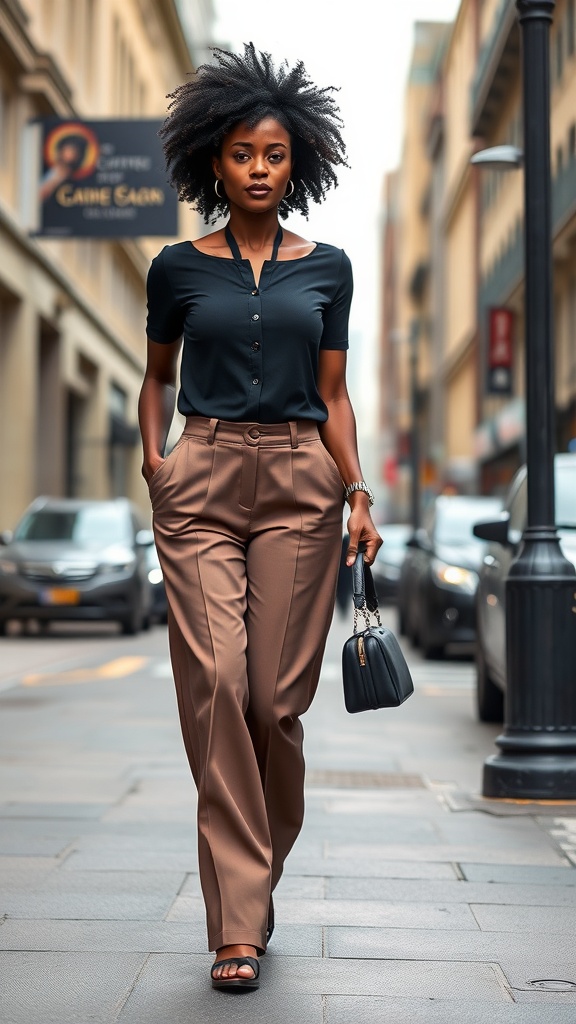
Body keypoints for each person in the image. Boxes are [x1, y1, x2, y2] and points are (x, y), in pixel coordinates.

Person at [138, 43, 381, 992]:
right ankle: (235, 923)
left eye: (274, 155)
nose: (258, 169)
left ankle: (257, 875)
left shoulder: (328, 268)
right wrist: (158, 464)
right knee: (217, 685)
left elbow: (337, 395)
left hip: (300, 483)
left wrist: (356, 489)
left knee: (275, 704)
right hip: (199, 482)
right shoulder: (175, 269)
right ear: (215, 163)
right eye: (243, 153)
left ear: (296, 164)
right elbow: (156, 380)